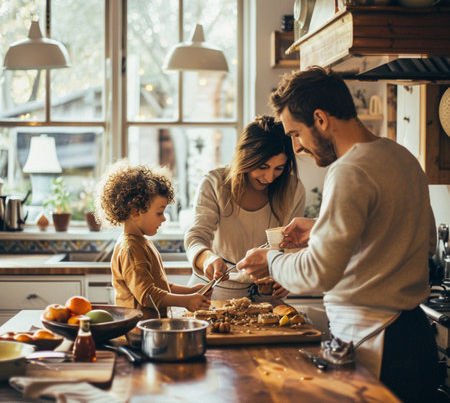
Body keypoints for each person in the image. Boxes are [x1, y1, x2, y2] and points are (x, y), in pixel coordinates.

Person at [237, 67, 439, 402]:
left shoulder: (349, 170)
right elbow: (420, 237)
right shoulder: (400, 156)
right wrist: (321, 227)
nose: (296, 147)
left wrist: (270, 260)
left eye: (296, 133)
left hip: (377, 341)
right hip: (411, 337)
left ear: (320, 119)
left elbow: (318, 271)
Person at [185, 115, 306, 301]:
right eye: (263, 166)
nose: (270, 177)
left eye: (279, 168)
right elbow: (196, 237)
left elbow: (293, 247)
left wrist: (288, 276)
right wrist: (208, 259)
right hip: (214, 290)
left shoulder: (293, 189)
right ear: (245, 158)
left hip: (266, 292)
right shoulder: (214, 183)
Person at [96, 159, 210, 319]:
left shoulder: (141, 242)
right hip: (138, 332)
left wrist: (191, 292)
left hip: (150, 328)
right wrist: (186, 301)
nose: (163, 219)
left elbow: (160, 286)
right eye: (159, 213)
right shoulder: (130, 249)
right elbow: (147, 295)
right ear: (136, 213)